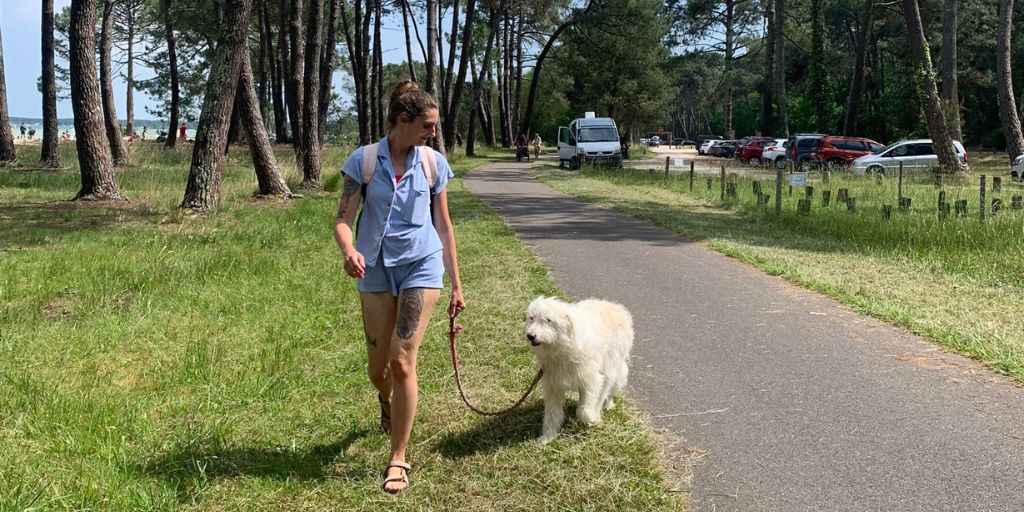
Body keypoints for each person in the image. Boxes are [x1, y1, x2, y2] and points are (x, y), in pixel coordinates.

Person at [333, 79, 465, 494]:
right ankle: (386, 401)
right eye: (427, 125)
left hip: (421, 267)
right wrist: (349, 249)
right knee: (379, 370)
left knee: (403, 359)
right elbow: (341, 218)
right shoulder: (363, 161)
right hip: (373, 270)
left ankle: (398, 458)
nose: (433, 133)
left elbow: (443, 224)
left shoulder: (432, 163)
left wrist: (457, 285)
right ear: (404, 120)